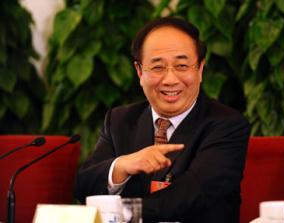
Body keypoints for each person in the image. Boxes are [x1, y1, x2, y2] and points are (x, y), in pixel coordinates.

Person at [74, 17, 250, 223]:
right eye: (157, 67)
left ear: (200, 69)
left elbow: (191, 195)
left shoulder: (227, 124)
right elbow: (84, 186)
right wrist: (122, 166)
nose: (170, 79)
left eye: (182, 65)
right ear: (140, 72)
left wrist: (120, 214)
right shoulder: (119, 120)